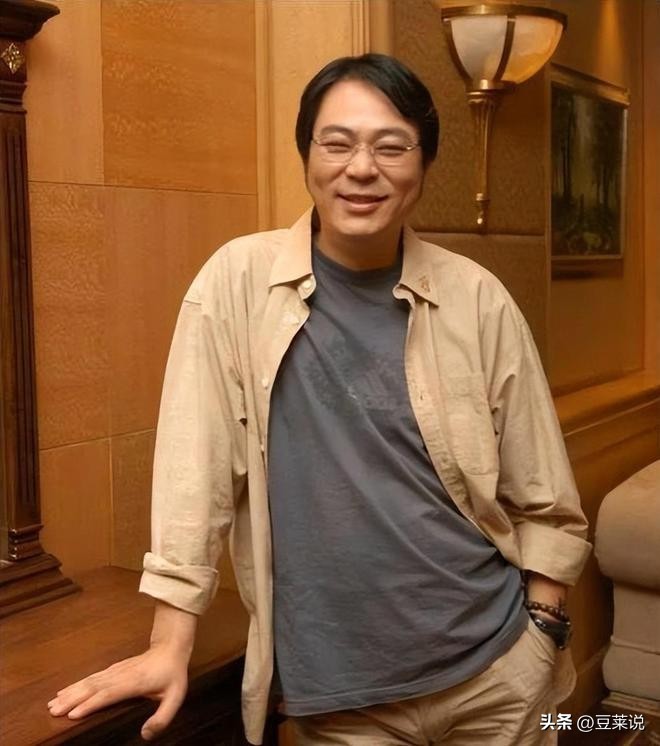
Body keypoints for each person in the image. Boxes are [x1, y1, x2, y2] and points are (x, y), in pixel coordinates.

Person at [47, 54, 591, 745]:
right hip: (341, 699)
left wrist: (542, 629)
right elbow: (195, 471)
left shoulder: (477, 299)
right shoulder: (237, 284)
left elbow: (544, 497)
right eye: (337, 143)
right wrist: (168, 643)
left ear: (424, 163)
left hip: (496, 675)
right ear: (306, 154)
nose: (361, 168)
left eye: (391, 146)